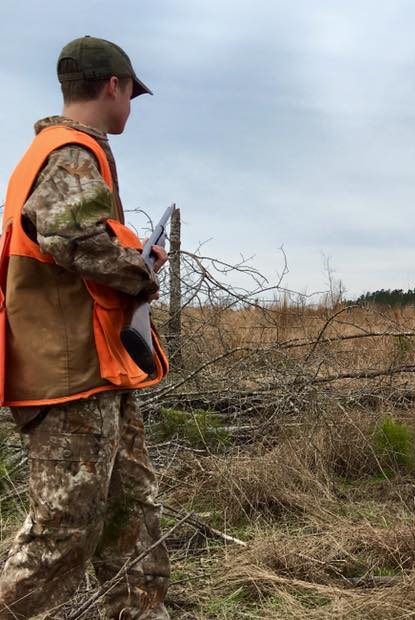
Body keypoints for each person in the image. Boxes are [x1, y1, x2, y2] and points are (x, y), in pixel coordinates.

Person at [0, 36, 171, 619]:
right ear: (112, 87)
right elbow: (72, 239)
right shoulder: (70, 151)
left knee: (133, 518)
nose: (129, 106)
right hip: (68, 374)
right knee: (62, 535)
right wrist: (140, 267)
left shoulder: (59, 151)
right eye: (131, 94)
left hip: (97, 371)